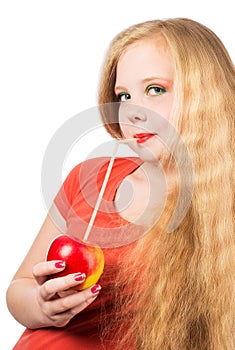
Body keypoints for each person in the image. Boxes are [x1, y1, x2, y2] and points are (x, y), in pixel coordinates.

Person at [6, 18, 234, 350]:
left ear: (207, 93)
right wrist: (42, 306)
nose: (132, 112)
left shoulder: (223, 206)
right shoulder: (88, 179)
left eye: (155, 89)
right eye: (123, 95)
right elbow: (19, 288)